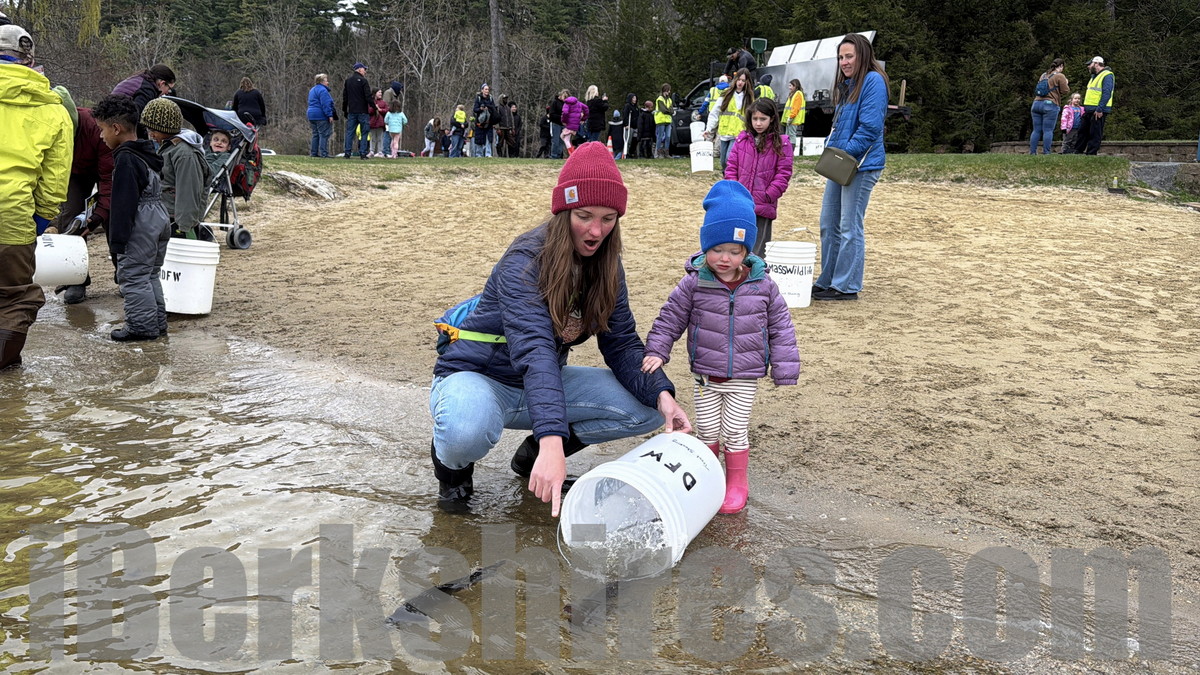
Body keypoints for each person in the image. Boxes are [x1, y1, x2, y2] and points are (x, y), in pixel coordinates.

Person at [429, 142, 693, 516]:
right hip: (480, 378)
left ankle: (533, 455)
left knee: (648, 409)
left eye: (608, 218)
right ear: (564, 210)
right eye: (584, 216)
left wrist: (662, 394)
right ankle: (454, 476)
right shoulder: (524, 261)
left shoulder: (608, 266)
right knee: (464, 430)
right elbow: (535, 350)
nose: (596, 230)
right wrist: (555, 438)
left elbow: (621, 343)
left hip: (539, 385)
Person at [641, 180, 799, 514]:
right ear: (705, 247)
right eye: (717, 249)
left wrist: (785, 368)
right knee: (708, 430)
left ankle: (737, 481)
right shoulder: (694, 283)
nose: (724, 258)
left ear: (747, 252)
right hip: (706, 377)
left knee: (735, 429)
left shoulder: (763, 286)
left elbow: (781, 327)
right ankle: (709, 477)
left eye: (734, 251)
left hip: (744, 376)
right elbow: (670, 318)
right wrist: (657, 350)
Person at [0, 23, 73, 369]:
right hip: (14, 217)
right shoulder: (55, 110)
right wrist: (39, 223)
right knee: (14, 298)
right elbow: (54, 183)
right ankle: (5, 369)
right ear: (29, 60)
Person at [812, 33, 889, 302]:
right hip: (841, 163)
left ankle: (846, 286)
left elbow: (870, 128)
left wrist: (843, 155)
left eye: (849, 56)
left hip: (860, 165)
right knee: (828, 223)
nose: (844, 62)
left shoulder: (873, 81)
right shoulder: (848, 86)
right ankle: (828, 279)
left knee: (849, 226)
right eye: (841, 57)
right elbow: (842, 126)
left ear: (862, 56)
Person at [92, 95, 172, 342]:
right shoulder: (147, 151)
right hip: (159, 217)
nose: (101, 136)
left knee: (134, 277)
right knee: (150, 274)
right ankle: (157, 323)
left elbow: (123, 204)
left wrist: (117, 242)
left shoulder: (126, 158)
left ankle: (141, 327)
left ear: (116, 128)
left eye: (102, 129)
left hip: (141, 221)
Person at [50, 100, 113, 305]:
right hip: (73, 173)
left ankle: (124, 273)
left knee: (113, 215)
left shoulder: (96, 127)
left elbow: (109, 178)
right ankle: (75, 278)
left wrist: (100, 213)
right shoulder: (47, 128)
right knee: (70, 216)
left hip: (104, 168)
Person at [724, 98, 793, 259]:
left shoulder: (782, 143)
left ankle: (755, 276)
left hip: (763, 206)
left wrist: (768, 195)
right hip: (741, 205)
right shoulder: (741, 140)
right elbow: (731, 167)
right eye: (755, 118)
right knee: (737, 248)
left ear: (772, 119)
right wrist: (735, 192)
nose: (758, 123)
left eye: (763, 119)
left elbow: (783, 174)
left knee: (757, 253)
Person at [142, 98, 210, 241]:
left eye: (154, 130)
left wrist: (184, 229)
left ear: (167, 128)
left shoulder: (185, 154)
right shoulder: (166, 146)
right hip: (164, 217)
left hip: (178, 223)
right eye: (148, 129)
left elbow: (189, 194)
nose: (151, 135)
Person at [705, 68, 755, 168]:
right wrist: (709, 129)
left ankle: (732, 176)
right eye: (739, 79)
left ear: (747, 82)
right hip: (725, 132)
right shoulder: (726, 94)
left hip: (738, 134)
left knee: (729, 158)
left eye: (743, 80)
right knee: (723, 162)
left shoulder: (749, 98)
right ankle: (727, 175)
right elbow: (715, 112)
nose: (740, 82)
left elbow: (752, 116)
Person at [1072, 56, 1114, 155]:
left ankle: (1091, 153)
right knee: (1083, 131)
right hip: (1089, 109)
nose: (1088, 67)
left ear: (1096, 64)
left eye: (1090, 64)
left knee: (1095, 133)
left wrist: (1100, 109)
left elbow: (1106, 93)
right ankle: (1078, 151)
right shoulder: (1094, 76)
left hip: (1097, 110)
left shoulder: (1107, 75)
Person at [1030, 58, 1068, 155]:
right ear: (1061, 66)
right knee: (1048, 130)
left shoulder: (1043, 75)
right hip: (1050, 105)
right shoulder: (1060, 76)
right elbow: (1065, 91)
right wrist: (1066, 82)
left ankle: (1032, 152)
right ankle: (1046, 152)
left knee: (1036, 130)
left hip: (1036, 103)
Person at [342, 62, 372, 159]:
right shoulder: (364, 81)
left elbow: (345, 97)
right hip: (363, 111)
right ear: (359, 69)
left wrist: (344, 109)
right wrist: (374, 107)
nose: (365, 71)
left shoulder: (348, 81)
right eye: (364, 69)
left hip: (352, 111)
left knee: (350, 132)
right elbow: (368, 96)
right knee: (364, 132)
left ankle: (347, 152)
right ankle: (363, 153)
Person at [306, 73, 335, 158]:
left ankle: (314, 152)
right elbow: (325, 104)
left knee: (315, 134)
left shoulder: (312, 90)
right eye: (326, 81)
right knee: (324, 134)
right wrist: (329, 115)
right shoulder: (323, 91)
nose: (328, 82)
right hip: (321, 115)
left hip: (311, 114)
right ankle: (324, 153)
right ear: (322, 82)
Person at [472, 83, 498, 157]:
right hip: (480, 122)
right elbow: (475, 109)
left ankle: (488, 154)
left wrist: (488, 108)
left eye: (488, 89)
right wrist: (481, 109)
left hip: (489, 122)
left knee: (489, 139)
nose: (487, 91)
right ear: (482, 90)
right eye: (486, 89)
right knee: (479, 138)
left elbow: (494, 108)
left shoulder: (491, 98)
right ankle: (479, 154)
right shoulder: (478, 98)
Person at [560, 92, 586, 156]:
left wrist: (564, 120)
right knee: (562, 136)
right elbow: (586, 108)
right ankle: (572, 149)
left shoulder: (567, 104)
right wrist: (583, 118)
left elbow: (565, 113)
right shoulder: (577, 103)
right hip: (574, 124)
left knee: (566, 139)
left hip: (570, 124)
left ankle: (572, 153)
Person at [783, 78, 805, 155]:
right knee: (788, 135)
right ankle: (788, 151)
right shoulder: (794, 94)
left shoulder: (798, 94)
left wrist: (791, 117)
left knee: (791, 135)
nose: (789, 87)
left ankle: (790, 151)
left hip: (793, 119)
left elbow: (796, 107)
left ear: (795, 86)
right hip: (791, 118)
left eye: (790, 86)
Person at [653, 83, 674, 159]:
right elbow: (663, 110)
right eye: (668, 90)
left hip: (668, 121)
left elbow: (671, 110)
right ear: (665, 90)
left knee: (668, 137)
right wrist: (669, 111)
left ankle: (666, 153)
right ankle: (658, 153)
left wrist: (669, 111)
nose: (669, 92)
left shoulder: (669, 100)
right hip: (661, 120)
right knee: (660, 137)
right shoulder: (660, 99)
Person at [366, 88, 388, 157]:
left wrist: (380, 110)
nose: (380, 94)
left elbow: (386, 110)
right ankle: (371, 151)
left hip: (380, 123)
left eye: (381, 92)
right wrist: (374, 108)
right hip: (372, 122)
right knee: (372, 138)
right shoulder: (370, 102)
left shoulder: (383, 102)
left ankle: (380, 151)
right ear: (375, 93)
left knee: (380, 138)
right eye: (379, 92)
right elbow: (369, 111)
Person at [547, 89, 567, 159]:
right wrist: (561, 117)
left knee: (561, 141)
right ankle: (554, 155)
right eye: (564, 96)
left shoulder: (566, 104)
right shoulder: (555, 103)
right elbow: (551, 114)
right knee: (555, 140)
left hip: (563, 124)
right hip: (556, 123)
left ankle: (559, 155)